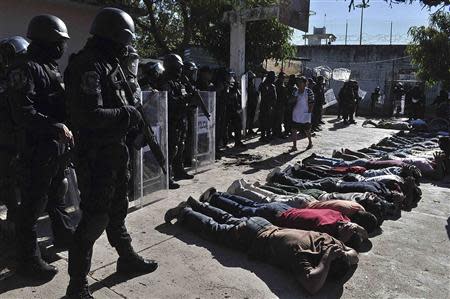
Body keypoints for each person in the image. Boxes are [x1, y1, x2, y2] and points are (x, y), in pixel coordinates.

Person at [64, 8, 158, 297]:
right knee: (95, 217)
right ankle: (77, 285)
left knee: (117, 210)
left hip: (115, 151)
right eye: (125, 41)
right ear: (114, 37)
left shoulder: (109, 63)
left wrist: (135, 121)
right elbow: (88, 116)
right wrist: (127, 114)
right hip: (96, 155)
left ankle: (126, 258)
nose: (127, 47)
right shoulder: (89, 65)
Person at [164, 197, 359, 295]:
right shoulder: (303, 253)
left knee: (228, 218)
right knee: (215, 229)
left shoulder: (328, 241)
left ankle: (199, 205)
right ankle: (185, 212)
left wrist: (338, 254)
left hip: (263, 225)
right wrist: (325, 261)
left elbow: (354, 254)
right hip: (252, 237)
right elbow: (312, 286)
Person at [6, 15, 75, 278]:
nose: (62, 47)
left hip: (54, 148)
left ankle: (64, 234)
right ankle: (28, 261)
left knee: (56, 194)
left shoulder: (49, 67)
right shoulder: (24, 67)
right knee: (32, 207)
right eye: (59, 41)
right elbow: (23, 111)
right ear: (46, 40)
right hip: (35, 148)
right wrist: (54, 126)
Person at [200, 188, 375, 246]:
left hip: (279, 217)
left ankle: (215, 198)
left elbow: (344, 248)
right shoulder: (344, 219)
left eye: (349, 233)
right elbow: (362, 234)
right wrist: (358, 230)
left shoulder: (329, 235)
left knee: (244, 209)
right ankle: (218, 196)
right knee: (249, 206)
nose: (348, 228)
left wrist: (346, 238)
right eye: (352, 228)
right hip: (285, 209)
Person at [0, 36, 29, 229]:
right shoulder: (8, 83)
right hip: (7, 141)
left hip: (15, 140)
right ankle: (12, 221)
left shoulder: (17, 80)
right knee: (8, 181)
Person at [160, 53, 194, 188]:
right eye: (178, 67)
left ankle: (178, 170)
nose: (181, 70)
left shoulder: (179, 82)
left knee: (180, 146)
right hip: (171, 121)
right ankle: (167, 177)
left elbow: (183, 98)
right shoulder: (165, 82)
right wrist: (186, 99)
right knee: (170, 149)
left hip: (180, 119)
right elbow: (170, 102)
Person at [291, 76, 314, 151]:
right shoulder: (296, 91)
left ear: (305, 83)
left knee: (307, 130)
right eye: (298, 82)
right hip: (296, 113)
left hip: (305, 113)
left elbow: (311, 103)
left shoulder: (309, 92)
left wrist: (308, 114)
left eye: (301, 82)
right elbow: (292, 101)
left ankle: (310, 143)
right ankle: (294, 146)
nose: (299, 84)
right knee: (294, 129)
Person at [258, 71, 277, 141]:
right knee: (267, 121)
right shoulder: (272, 86)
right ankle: (266, 135)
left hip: (264, 106)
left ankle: (264, 136)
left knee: (265, 121)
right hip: (267, 106)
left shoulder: (263, 85)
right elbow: (275, 98)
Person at [273, 72, 287, 138]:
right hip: (278, 104)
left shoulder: (279, 84)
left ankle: (276, 132)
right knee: (278, 120)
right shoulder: (278, 84)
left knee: (278, 119)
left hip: (280, 104)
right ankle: (278, 133)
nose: (283, 79)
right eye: (283, 77)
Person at [246, 71, 258, 135]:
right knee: (249, 117)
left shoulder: (252, 84)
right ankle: (248, 129)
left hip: (253, 102)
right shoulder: (248, 84)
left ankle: (250, 129)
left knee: (251, 117)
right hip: (250, 103)